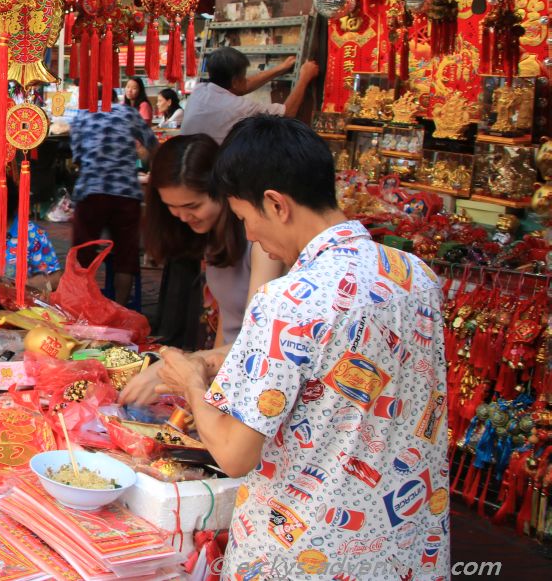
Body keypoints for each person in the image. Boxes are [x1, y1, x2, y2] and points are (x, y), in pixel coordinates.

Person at [156, 116, 449, 577]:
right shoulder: (418, 277)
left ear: (277, 204)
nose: (250, 236)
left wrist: (192, 383)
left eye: (245, 218)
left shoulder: (288, 300)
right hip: (407, 548)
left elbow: (234, 453)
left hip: (304, 553)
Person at [120, 134, 283, 402]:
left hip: (257, 383)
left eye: (193, 206)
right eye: (172, 207)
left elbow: (259, 338)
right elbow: (226, 323)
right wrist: (210, 390)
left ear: (222, 191)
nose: (183, 217)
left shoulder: (263, 244)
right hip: (227, 375)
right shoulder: (212, 238)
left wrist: (190, 367)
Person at [69, 93, 158, 302]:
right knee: (125, 256)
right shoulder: (129, 112)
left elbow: (77, 158)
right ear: (116, 97)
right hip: (126, 192)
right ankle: (121, 306)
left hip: (91, 191)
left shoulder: (82, 115)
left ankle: (80, 302)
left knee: (83, 253)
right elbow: (153, 144)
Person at [179, 47, 319, 143]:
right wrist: (304, 77)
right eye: (243, 77)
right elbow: (287, 113)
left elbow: (242, 87)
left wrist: (280, 68)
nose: (246, 80)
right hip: (212, 170)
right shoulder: (238, 107)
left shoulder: (199, 91)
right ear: (235, 81)